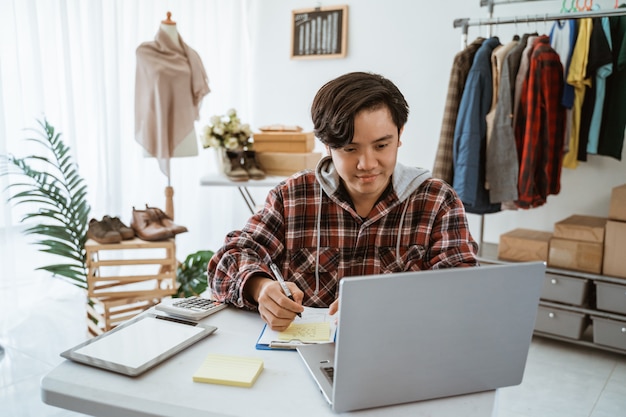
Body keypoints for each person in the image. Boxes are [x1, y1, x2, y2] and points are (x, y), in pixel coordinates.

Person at [207, 71, 478, 331]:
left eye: (382, 146)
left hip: (401, 354)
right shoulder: (292, 197)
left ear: (400, 135)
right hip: (300, 359)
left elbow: (463, 289)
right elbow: (227, 259)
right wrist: (261, 287)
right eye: (350, 149)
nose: (367, 164)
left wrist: (387, 303)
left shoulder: (437, 202)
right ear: (327, 145)